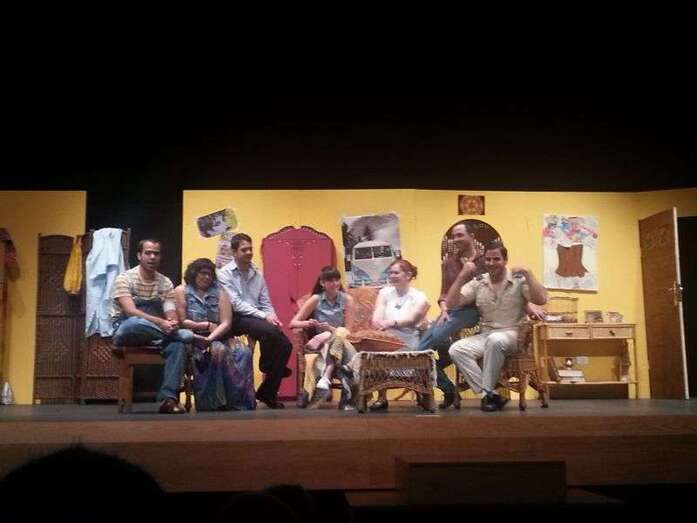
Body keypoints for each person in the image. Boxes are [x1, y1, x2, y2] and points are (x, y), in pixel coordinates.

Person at [447, 240, 547, 412]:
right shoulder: (479, 282)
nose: (491, 263)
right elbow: (451, 303)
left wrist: (528, 273)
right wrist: (461, 277)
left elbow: (541, 299)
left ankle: (487, 394)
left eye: (496, 259)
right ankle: (489, 395)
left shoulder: (518, 280)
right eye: (488, 259)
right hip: (486, 334)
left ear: (505, 260)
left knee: (495, 340)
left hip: (513, 335)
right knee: (456, 349)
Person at [111, 239, 194, 414]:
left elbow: (170, 312)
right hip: (128, 330)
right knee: (135, 323)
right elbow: (130, 311)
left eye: (156, 253)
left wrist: (171, 322)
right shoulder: (124, 278)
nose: (152, 257)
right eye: (148, 253)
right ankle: (178, 335)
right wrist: (162, 323)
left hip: (155, 335)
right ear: (139, 255)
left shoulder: (165, 283)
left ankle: (168, 400)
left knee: (177, 345)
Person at [217, 233, 292, 409]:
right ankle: (269, 365)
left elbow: (265, 302)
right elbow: (236, 304)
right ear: (234, 252)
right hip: (235, 318)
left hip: (256, 318)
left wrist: (272, 317)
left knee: (286, 345)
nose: (249, 252)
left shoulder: (257, 274)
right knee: (271, 333)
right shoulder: (224, 274)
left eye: (250, 249)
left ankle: (267, 392)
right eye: (244, 249)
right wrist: (264, 316)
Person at [416, 223, 486, 409]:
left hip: (475, 311)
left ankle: (418, 362)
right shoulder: (449, 263)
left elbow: (498, 284)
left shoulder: (485, 260)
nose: (456, 239)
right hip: (453, 311)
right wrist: (444, 310)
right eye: (454, 236)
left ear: (471, 236)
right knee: (425, 349)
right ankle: (449, 389)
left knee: (423, 347)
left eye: (460, 235)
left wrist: (528, 304)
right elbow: (443, 293)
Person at [174, 258, 255, 411]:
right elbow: (182, 321)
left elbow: (226, 323)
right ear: (194, 273)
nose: (207, 277)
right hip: (194, 338)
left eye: (210, 274)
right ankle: (213, 402)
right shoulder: (181, 291)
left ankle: (239, 402)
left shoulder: (221, 292)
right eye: (203, 273)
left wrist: (210, 338)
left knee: (243, 352)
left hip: (218, 335)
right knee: (217, 350)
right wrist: (205, 326)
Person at [289, 266, 357, 410]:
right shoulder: (316, 299)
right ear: (322, 283)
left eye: (337, 280)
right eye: (330, 280)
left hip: (342, 341)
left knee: (339, 332)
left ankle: (324, 377)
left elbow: (348, 331)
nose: (335, 283)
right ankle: (347, 393)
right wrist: (309, 323)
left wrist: (330, 330)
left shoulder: (347, 299)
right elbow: (293, 323)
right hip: (323, 344)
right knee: (332, 338)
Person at [369, 259, 430, 411]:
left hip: (408, 339)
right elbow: (378, 311)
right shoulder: (384, 292)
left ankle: (420, 392)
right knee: (376, 348)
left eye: (396, 273)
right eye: (390, 273)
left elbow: (411, 320)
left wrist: (391, 323)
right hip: (387, 338)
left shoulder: (419, 296)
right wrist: (377, 321)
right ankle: (381, 397)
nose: (392, 276)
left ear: (408, 275)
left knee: (399, 349)